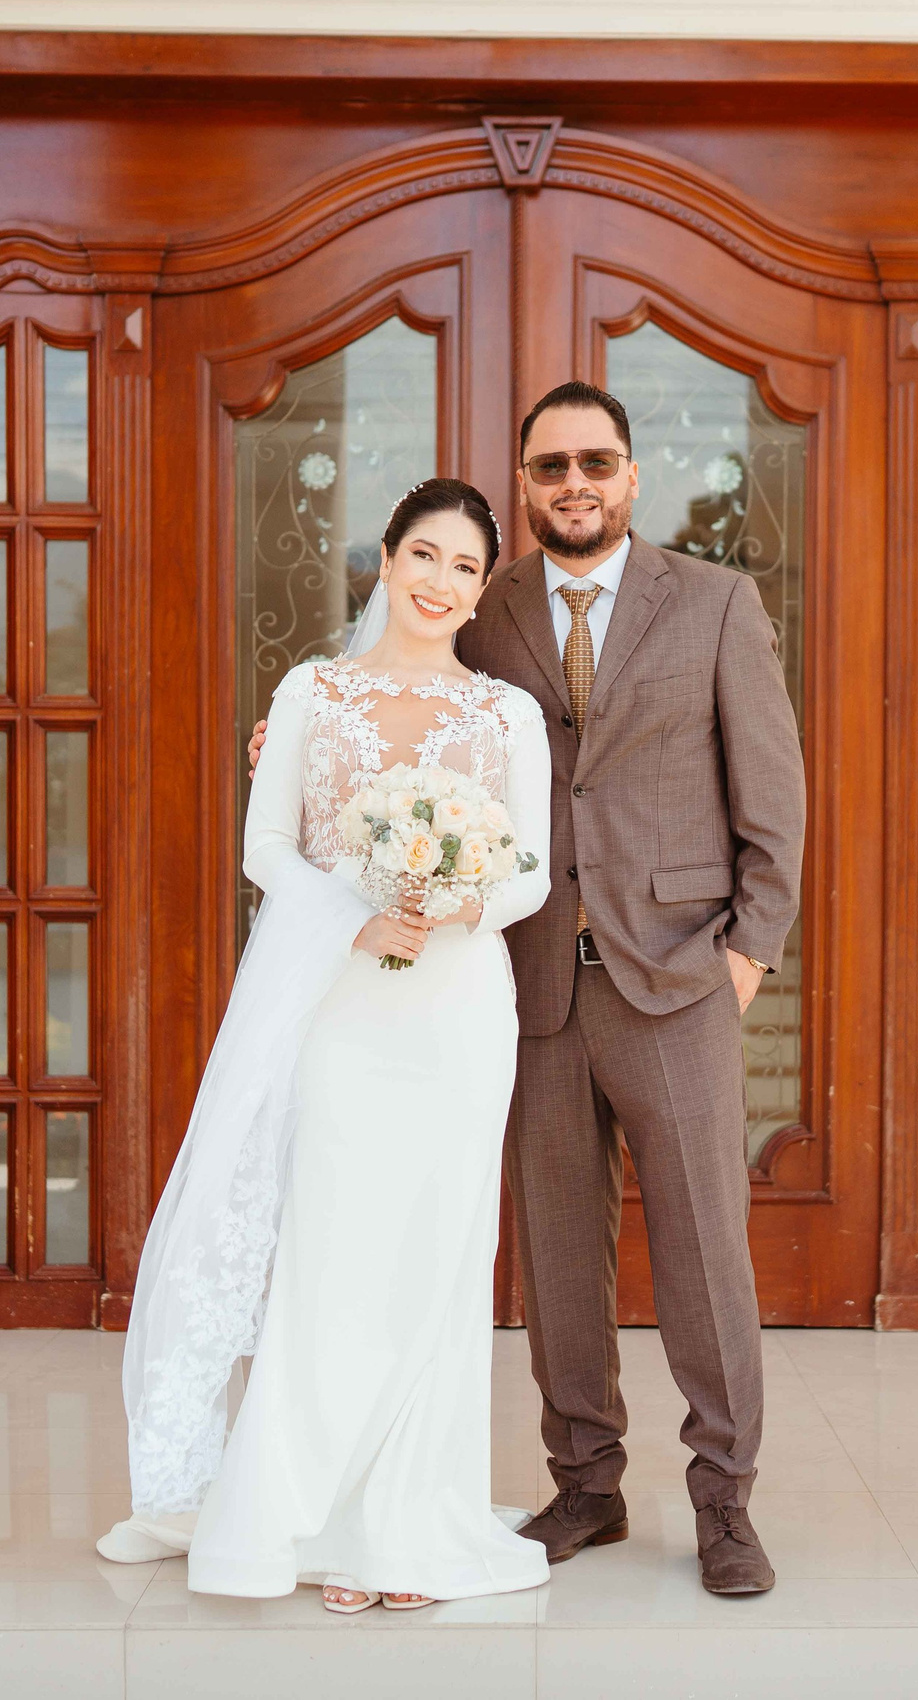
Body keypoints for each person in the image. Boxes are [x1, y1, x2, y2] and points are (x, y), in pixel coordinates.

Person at [249, 383, 807, 1595]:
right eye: (550, 465)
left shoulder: (714, 604)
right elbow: (395, 718)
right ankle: (587, 1488)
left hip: (675, 978)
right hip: (527, 981)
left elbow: (773, 791)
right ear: (524, 483)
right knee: (561, 1255)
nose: (574, 483)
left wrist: (746, 952)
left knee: (708, 1251)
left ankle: (723, 1503)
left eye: (594, 462)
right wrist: (283, 741)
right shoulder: (483, 610)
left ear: (629, 476)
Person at [98, 478, 554, 1613]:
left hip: (454, 1011)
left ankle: (406, 1526)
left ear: (480, 588)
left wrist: (457, 906)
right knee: (334, 1254)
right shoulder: (312, 690)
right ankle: (321, 1519)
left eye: (465, 568)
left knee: (434, 1261)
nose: (441, 583)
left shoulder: (506, 715)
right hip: (341, 1009)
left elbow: (532, 868)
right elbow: (268, 849)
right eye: (424, 555)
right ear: (385, 560)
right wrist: (355, 917)